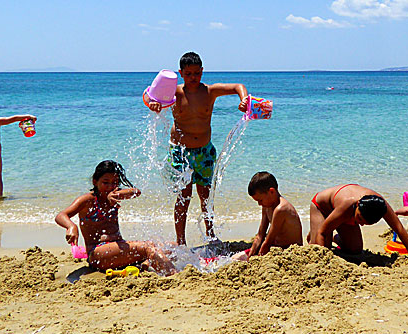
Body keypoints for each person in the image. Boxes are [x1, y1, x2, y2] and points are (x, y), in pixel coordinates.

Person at [148, 52, 248, 245]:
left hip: (204, 151)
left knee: (206, 196)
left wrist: (243, 99)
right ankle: (180, 241)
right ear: (181, 73)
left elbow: (238, 86)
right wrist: (153, 104)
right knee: (184, 197)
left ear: (202, 72)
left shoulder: (210, 91)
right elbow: (149, 96)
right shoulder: (175, 92)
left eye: (196, 73)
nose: (193, 78)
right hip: (181, 152)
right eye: (188, 74)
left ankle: (210, 235)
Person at [55, 160, 176, 276]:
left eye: (114, 183)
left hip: (117, 249)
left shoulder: (114, 196)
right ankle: (173, 275)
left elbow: (136, 192)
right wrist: (71, 226)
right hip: (98, 254)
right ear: (95, 181)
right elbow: (61, 215)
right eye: (105, 182)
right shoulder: (88, 200)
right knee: (147, 248)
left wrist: (118, 194)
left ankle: (144, 263)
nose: (110, 187)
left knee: (171, 246)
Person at [307, 184, 408, 263]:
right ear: (357, 204)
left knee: (355, 249)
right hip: (322, 208)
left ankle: (333, 235)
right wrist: (322, 259)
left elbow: (399, 228)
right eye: (360, 219)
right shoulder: (347, 203)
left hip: (344, 214)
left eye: (365, 224)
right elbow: (322, 232)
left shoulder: (381, 206)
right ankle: (316, 232)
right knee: (320, 245)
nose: (361, 225)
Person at [232, 172, 303, 261]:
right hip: (274, 247)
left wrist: (255, 260)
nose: (259, 204)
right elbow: (260, 236)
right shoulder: (266, 206)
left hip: (289, 250)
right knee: (235, 258)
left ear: (271, 191)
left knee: (244, 259)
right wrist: (251, 253)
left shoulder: (281, 209)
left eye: (260, 200)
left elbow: (268, 241)